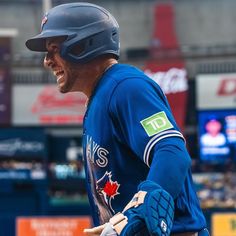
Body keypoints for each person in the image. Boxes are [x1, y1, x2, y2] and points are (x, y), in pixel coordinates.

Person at [25, 2, 209, 236]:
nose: (47, 61)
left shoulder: (126, 86)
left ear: (82, 45)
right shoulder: (99, 97)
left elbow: (172, 151)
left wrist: (139, 211)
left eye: (53, 49)